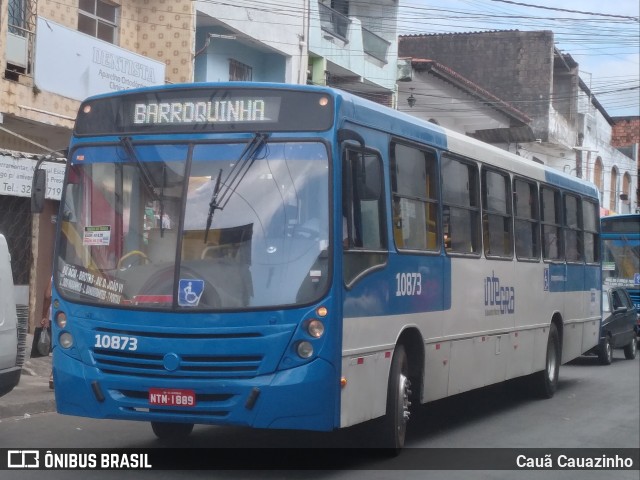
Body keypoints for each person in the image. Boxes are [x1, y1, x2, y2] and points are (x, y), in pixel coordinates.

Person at [41, 277, 54, 390]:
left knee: (54, 347)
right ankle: (54, 374)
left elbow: (47, 295)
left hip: (55, 316)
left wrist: (44, 316)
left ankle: (53, 376)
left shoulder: (55, 274)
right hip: (70, 316)